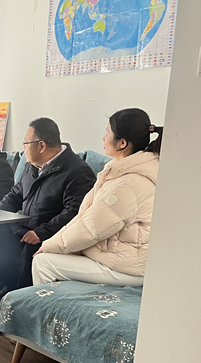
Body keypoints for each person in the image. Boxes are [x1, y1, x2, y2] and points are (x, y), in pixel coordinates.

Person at [32, 109, 162, 286]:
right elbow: (83, 218)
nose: (103, 138)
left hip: (127, 268)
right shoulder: (119, 173)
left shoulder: (128, 184)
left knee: (43, 263)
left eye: (108, 133)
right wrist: (51, 244)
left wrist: (48, 247)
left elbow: (90, 229)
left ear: (122, 143)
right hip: (116, 257)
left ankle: (44, 303)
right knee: (52, 254)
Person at [0, 117, 96, 292]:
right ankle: (10, 289)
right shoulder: (32, 166)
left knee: (29, 249)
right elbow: (15, 195)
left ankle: (20, 294)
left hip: (49, 235)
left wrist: (42, 232)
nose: (24, 148)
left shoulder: (77, 171)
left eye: (26, 143)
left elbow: (75, 212)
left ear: (41, 146)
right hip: (23, 228)